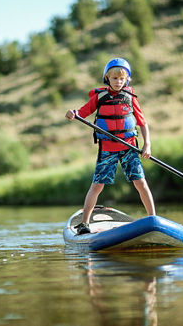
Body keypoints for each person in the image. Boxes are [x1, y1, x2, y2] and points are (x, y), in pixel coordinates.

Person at [65, 58, 156, 234]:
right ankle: (84, 223)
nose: (118, 82)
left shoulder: (130, 97)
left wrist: (147, 145)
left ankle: (153, 218)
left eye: (122, 79)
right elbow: (82, 112)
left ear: (127, 80)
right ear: (107, 78)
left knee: (141, 183)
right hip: (108, 150)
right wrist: (72, 114)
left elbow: (143, 123)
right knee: (97, 185)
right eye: (114, 78)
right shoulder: (99, 97)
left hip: (129, 148)